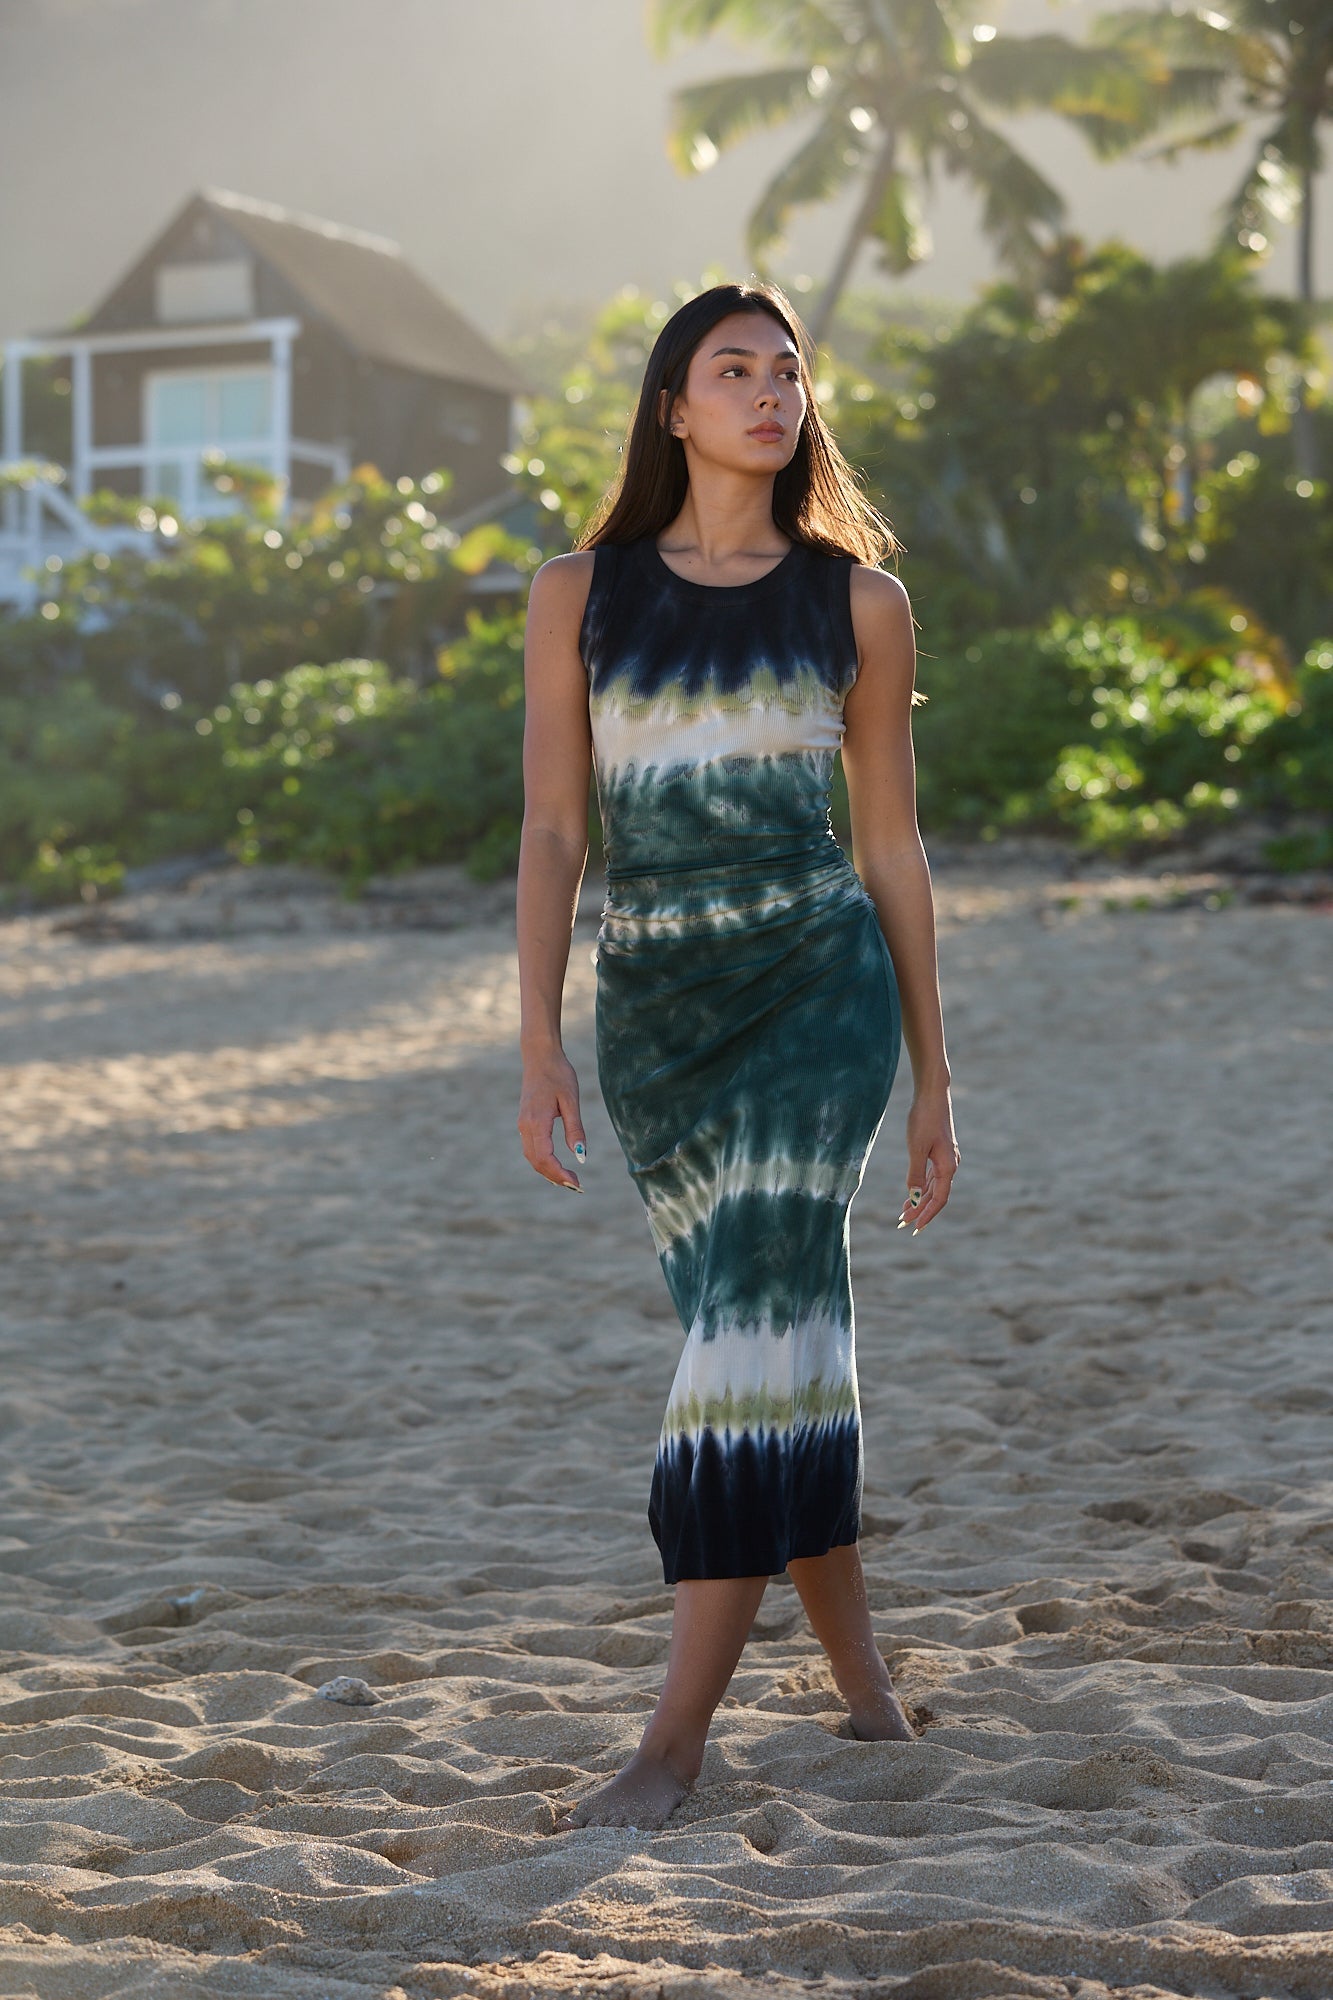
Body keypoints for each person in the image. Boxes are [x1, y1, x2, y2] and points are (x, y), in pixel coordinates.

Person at [516, 281, 959, 1832]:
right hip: (657, 1014)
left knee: (744, 1337)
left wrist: (933, 1072)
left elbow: (890, 848)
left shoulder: (857, 604)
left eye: (787, 370)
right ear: (673, 408)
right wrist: (537, 1039)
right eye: (733, 369)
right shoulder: (580, 594)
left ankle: (672, 1744)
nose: (770, 392)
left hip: (815, 995)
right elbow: (555, 828)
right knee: (769, 1334)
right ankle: (861, 1680)